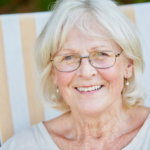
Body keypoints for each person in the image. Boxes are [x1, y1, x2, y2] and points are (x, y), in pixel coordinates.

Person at [1, 0, 150, 149]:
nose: (86, 72)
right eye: (68, 57)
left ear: (129, 65)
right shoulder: (23, 145)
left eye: (101, 54)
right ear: (53, 72)